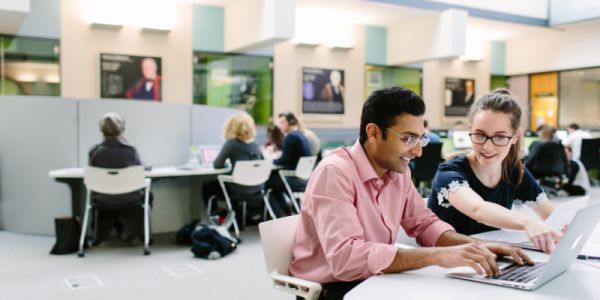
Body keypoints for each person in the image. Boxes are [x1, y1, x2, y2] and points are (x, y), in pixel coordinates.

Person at [290, 87, 532, 300]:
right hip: (335, 289)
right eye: (408, 139)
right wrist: (438, 256)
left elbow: (424, 225)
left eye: (420, 139)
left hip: (376, 278)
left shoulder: (397, 171)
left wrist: (479, 246)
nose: (417, 151)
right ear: (374, 133)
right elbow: (347, 260)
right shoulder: (335, 173)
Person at [428, 89, 561, 254]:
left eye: (499, 137)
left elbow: (552, 216)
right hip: (447, 262)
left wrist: (564, 229)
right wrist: (527, 222)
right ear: (470, 130)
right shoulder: (449, 172)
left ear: (515, 137)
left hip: (489, 256)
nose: (487, 147)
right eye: (479, 135)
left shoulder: (514, 171)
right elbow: (478, 210)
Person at [88, 112, 148, 246]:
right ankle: (139, 234)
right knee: (149, 195)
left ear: (101, 130)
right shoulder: (131, 151)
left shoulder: (94, 152)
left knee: (108, 199)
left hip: (102, 200)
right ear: (122, 129)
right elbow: (140, 170)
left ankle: (103, 233)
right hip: (130, 200)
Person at [203, 113, 264, 225]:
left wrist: (228, 166)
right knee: (228, 185)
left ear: (231, 127)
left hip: (238, 189)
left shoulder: (231, 144)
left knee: (207, 187)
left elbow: (217, 165)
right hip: (257, 189)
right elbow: (263, 163)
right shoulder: (255, 144)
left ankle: (217, 218)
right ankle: (231, 217)